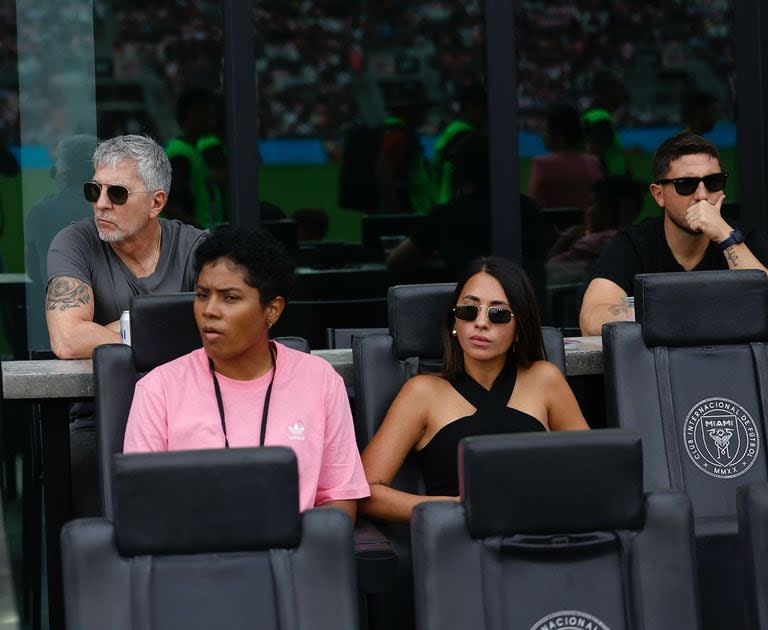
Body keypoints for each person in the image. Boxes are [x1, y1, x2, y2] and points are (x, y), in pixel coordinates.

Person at [124, 226, 370, 520]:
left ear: (272, 310)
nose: (209, 310)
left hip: (292, 557)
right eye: (202, 295)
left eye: (229, 298)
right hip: (193, 559)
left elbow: (339, 501)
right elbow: (141, 505)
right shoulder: (158, 390)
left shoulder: (321, 381)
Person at [361, 256, 588, 523]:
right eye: (468, 310)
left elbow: (591, 467)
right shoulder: (422, 392)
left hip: (543, 534)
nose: (481, 323)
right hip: (459, 541)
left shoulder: (544, 379)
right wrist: (453, 509)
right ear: (454, 322)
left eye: (498, 313)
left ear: (519, 328)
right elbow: (366, 493)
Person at [579, 132, 768, 335]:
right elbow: (592, 322)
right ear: (659, 195)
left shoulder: (741, 241)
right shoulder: (634, 244)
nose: (702, 196)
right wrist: (694, 310)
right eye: (686, 185)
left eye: (713, 182)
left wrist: (724, 236)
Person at [46, 134, 208, 360]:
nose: (101, 204)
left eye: (117, 193)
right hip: (104, 393)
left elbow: (227, 328)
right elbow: (67, 340)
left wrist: (115, 328)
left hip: (184, 393)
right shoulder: (74, 243)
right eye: (94, 190)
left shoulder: (197, 248)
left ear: (156, 202)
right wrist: (173, 330)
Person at [165, 88, 224, 229]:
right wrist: (196, 231)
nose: (214, 117)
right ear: (194, 114)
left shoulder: (193, 149)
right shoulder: (181, 154)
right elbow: (171, 204)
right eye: (209, 112)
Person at [528, 103, 603, 212]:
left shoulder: (542, 165)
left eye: (545, 130)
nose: (542, 135)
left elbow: (535, 210)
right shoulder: (594, 163)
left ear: (558, 135)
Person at [432, 82, 487, 204]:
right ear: (472, 107)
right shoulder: (468, 138)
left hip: (444, 202)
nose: (486, 115)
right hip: (458, 206)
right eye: (484, 109)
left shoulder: (451, 131)